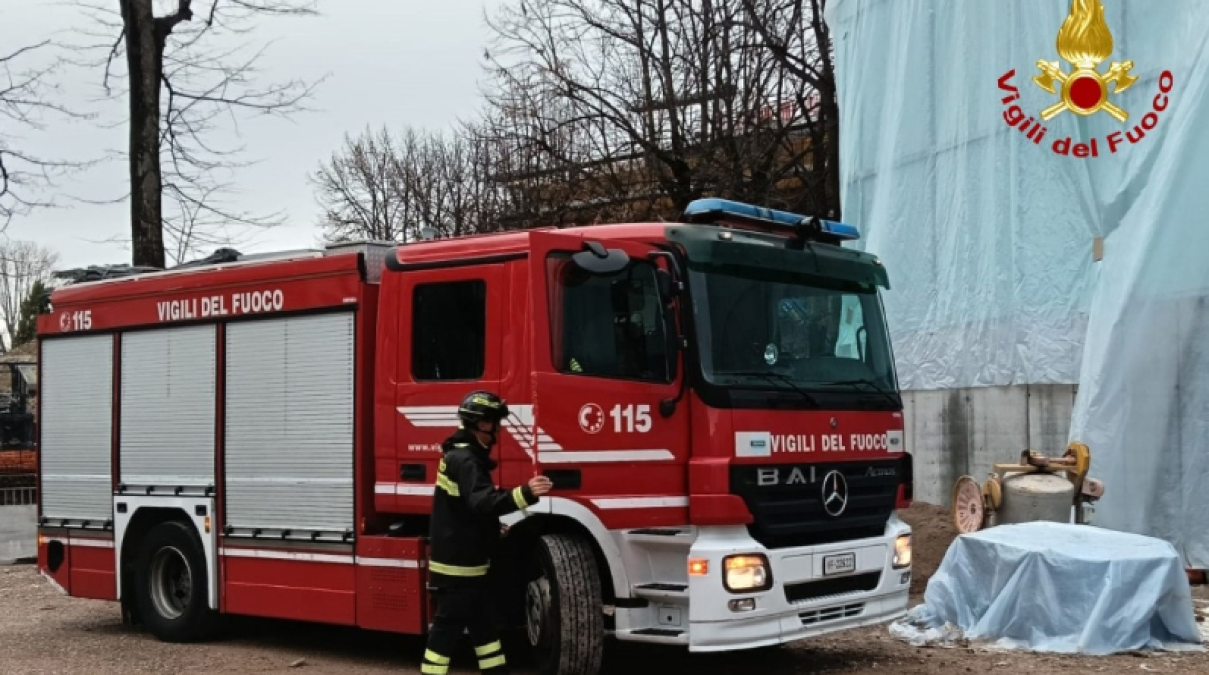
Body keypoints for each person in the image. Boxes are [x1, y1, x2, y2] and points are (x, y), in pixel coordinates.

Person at [421, 390, 553, 675]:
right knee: (446, 632)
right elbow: (481, 502)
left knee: (484, 630)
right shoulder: (466, 460)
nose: (499, 430)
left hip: (469, 565)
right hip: (460, 569)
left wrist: (493, 530)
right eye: (495, 422)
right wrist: (526, 493)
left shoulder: (459, 455)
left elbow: (463, 510)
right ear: (481, 423)